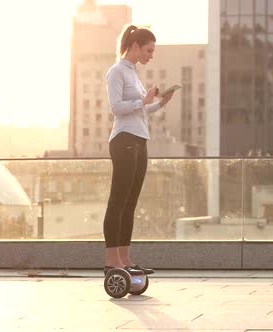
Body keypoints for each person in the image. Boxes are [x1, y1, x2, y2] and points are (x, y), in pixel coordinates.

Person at [103, 25, 174, 276]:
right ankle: (112, 262)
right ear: (135, 46)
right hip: (123, 140)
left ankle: (125, 260)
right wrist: (142, 101)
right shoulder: (117, 71)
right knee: (118, 201)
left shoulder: (133, 73)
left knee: (130, 203)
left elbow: (140, 110)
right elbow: (116, 108)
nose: (151, 55)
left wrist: (158, 104)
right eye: (149, 50)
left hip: (140, 140)